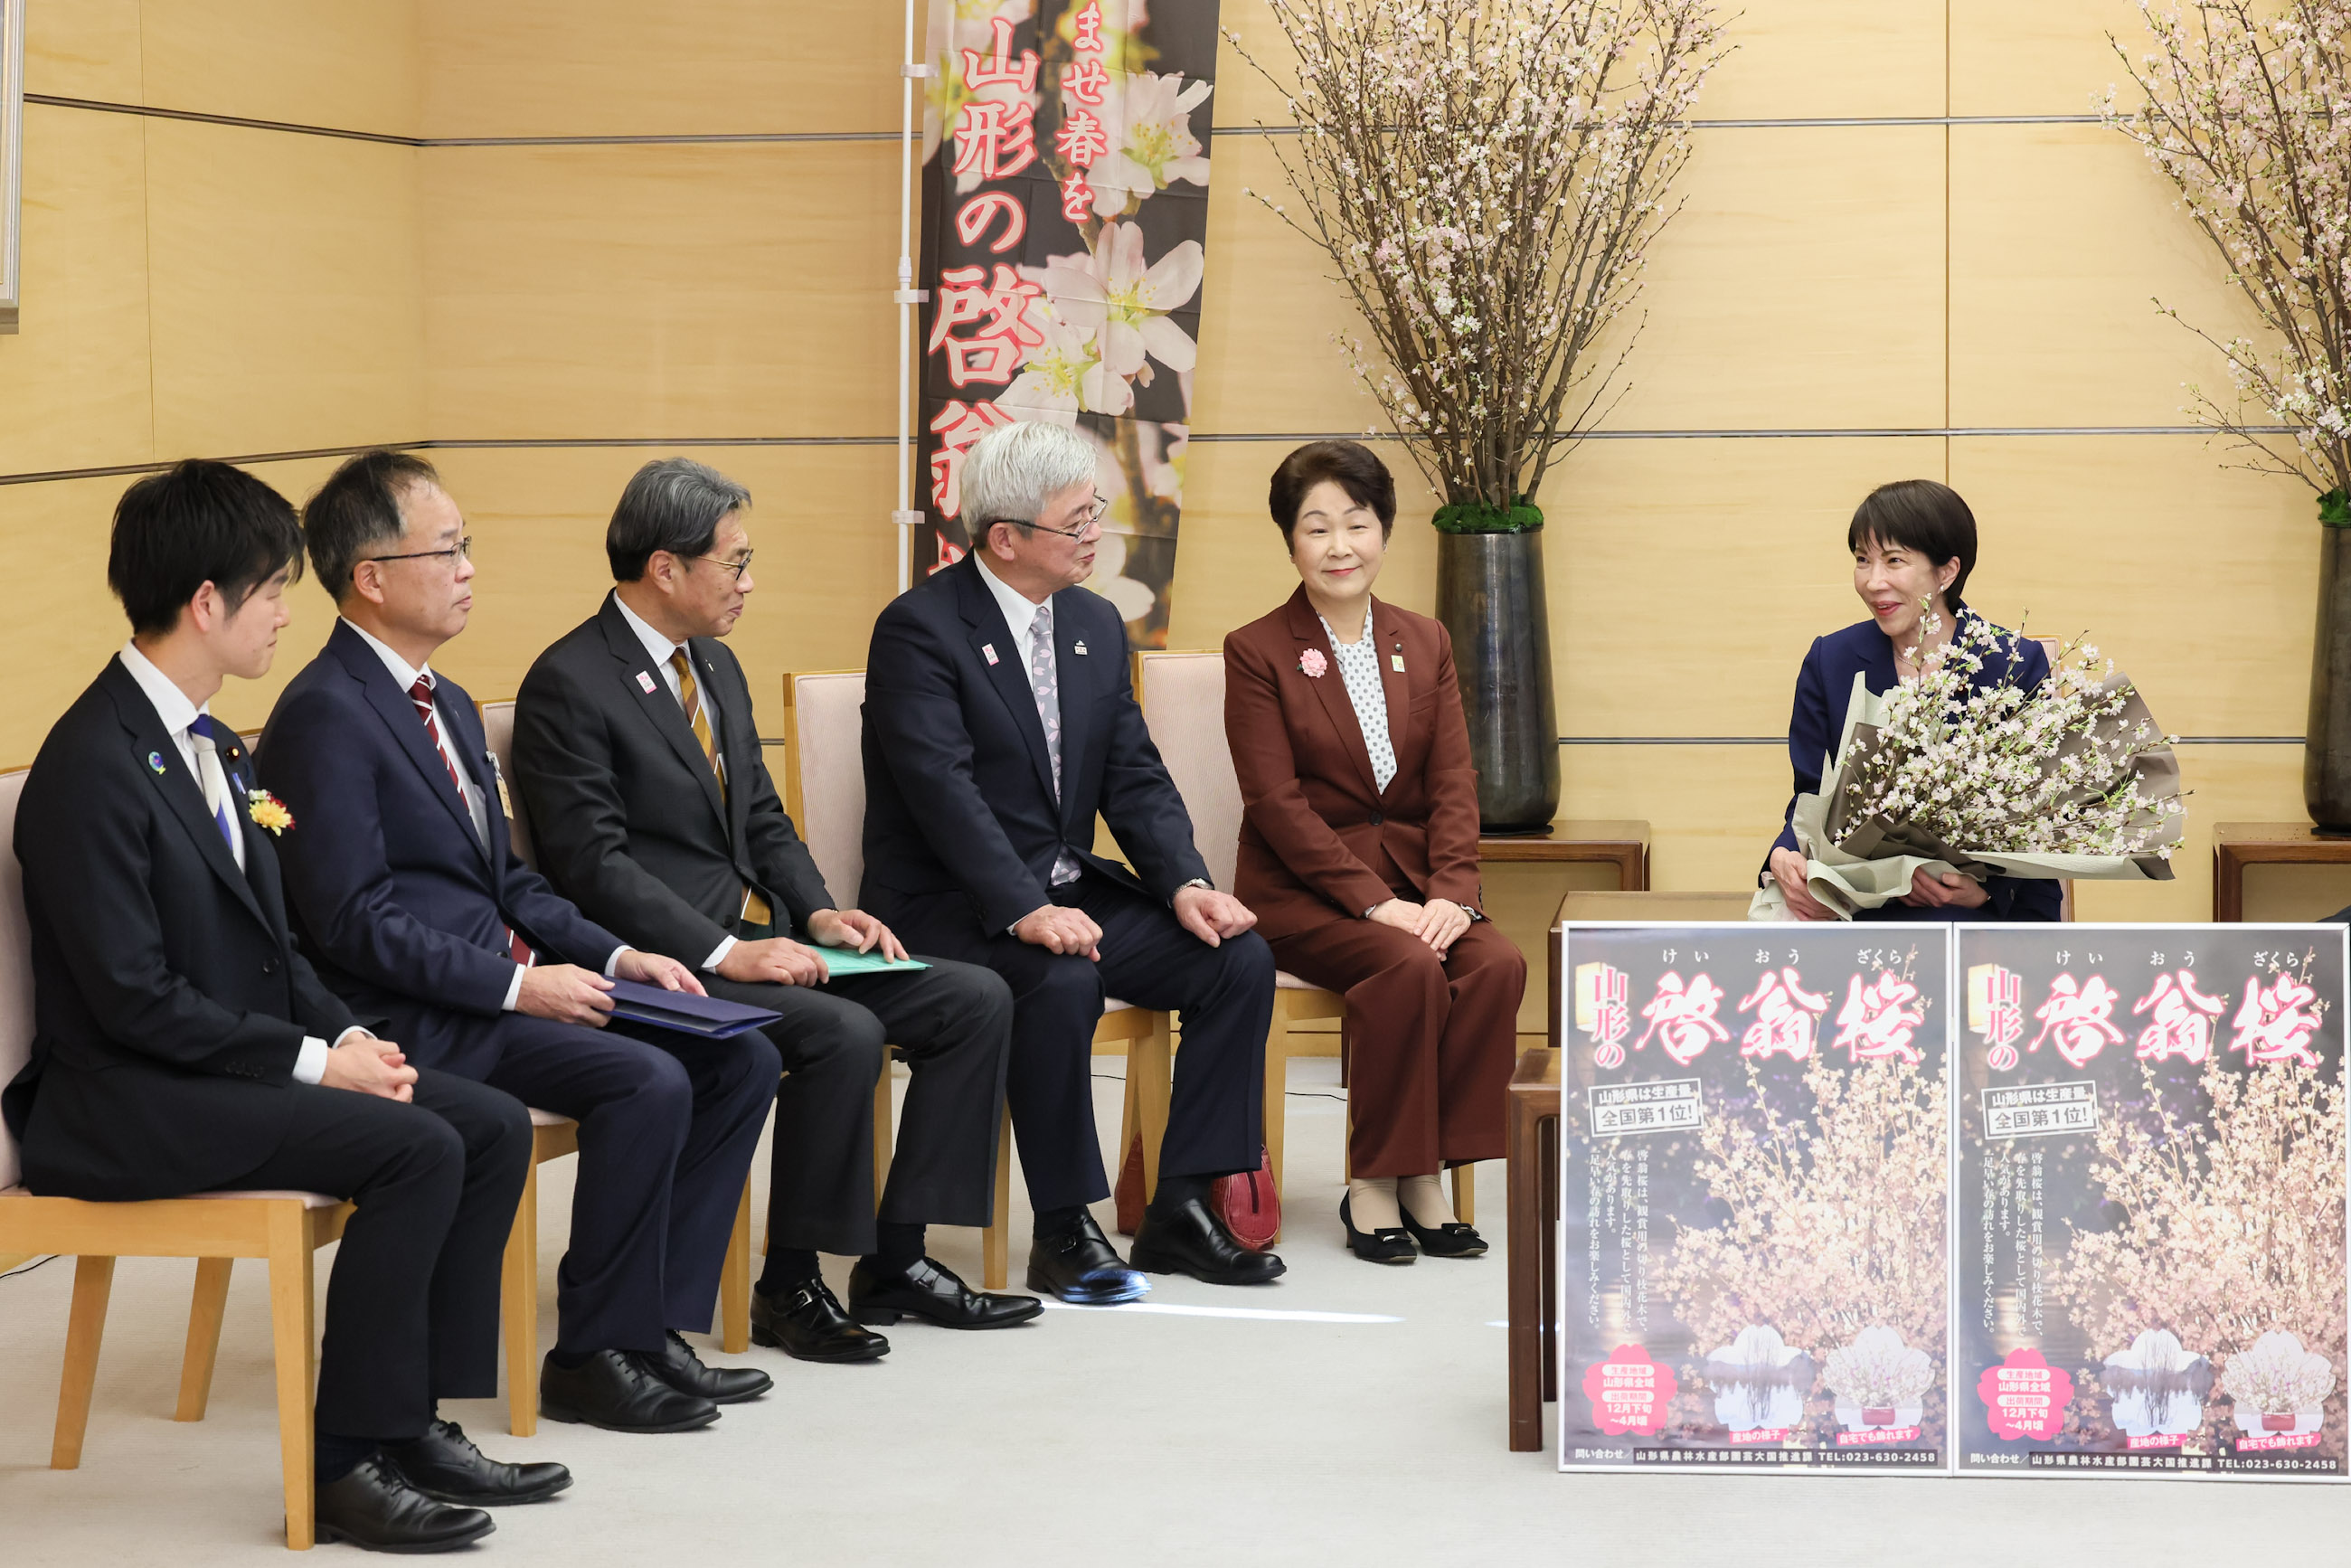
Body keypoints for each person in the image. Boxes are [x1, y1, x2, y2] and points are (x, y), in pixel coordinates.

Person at [0, 462, 564, 1553]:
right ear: (205, 603)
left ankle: (413, 1420)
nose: (284, 613)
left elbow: (283, 945)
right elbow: (132, 1002)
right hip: (121, 1098)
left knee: (482, 1124)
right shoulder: (91, 767)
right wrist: (314, 1067)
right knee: (413, 1149)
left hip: (207, 1066)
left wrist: (348, 1033)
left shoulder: (216, 743)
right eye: (269, 591)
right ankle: (350, 1460)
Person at [257, 450, 779, 1437]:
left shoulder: (446, 701)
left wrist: (621, 958)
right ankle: (591, 1352)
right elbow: (352, 920)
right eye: (446, 550)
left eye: (467, 548)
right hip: (420, 1010)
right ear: (370, 577)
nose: (466, 570)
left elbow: (511, 883)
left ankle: (642, 1327)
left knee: (737, 1052)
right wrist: (515, 987)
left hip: (500, 984)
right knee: (645, 1079)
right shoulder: (326, 714)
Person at [513, 458, 1034, 1355]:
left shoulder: (711, 663)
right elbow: (592, 867)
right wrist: (724, 954)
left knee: (972, 998)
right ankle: (790, 1283)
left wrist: (820, 913)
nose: (749, 583)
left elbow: (759, 813)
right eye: (735, 562)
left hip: (753, 937)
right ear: (665, 568)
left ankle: (895, 1256)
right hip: (663, 963)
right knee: (840, 1032)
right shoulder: (570, 681)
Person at [861, 420, 1285, 1298]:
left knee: (1235, 958)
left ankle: (1180, 1206)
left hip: (1063, 889)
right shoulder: (919, 631)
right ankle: (1062, 1225)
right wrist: (1023, 908)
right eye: (1076, 522)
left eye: (1095, 513)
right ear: (1004, 538)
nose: (1095, 535)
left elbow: (1132, 777)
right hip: (951, 905)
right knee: (1058, 979)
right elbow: (944, 795)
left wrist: (1186, 884)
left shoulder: (1091, 622)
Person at [1223, 441, 1524, 1264]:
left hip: (1420, 885)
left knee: (1494, 964)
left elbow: (1454, 781)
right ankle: (1376, 1184)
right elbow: (1275, 806)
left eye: (1357, 524)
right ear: (1291, 542)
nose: (1339, 546)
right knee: (1407, 966)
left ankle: (1428, 1166)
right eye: (1316, 528)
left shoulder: (1423, 640)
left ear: (1384, 532)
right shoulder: (1258, 650)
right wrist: (1373, 902)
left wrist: (1453, 895)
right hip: (1303, 894)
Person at [1763, 478, 2061, 922]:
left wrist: (1985, 893)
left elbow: (2039, 814)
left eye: (1893, 561)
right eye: (1863, 561)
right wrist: (1783, 857)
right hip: (1857, 906)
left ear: (1946, 572)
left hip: (1971, 915)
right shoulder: (1831, 659)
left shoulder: (2012, 663)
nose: (1872, 581)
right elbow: (1811, 795)